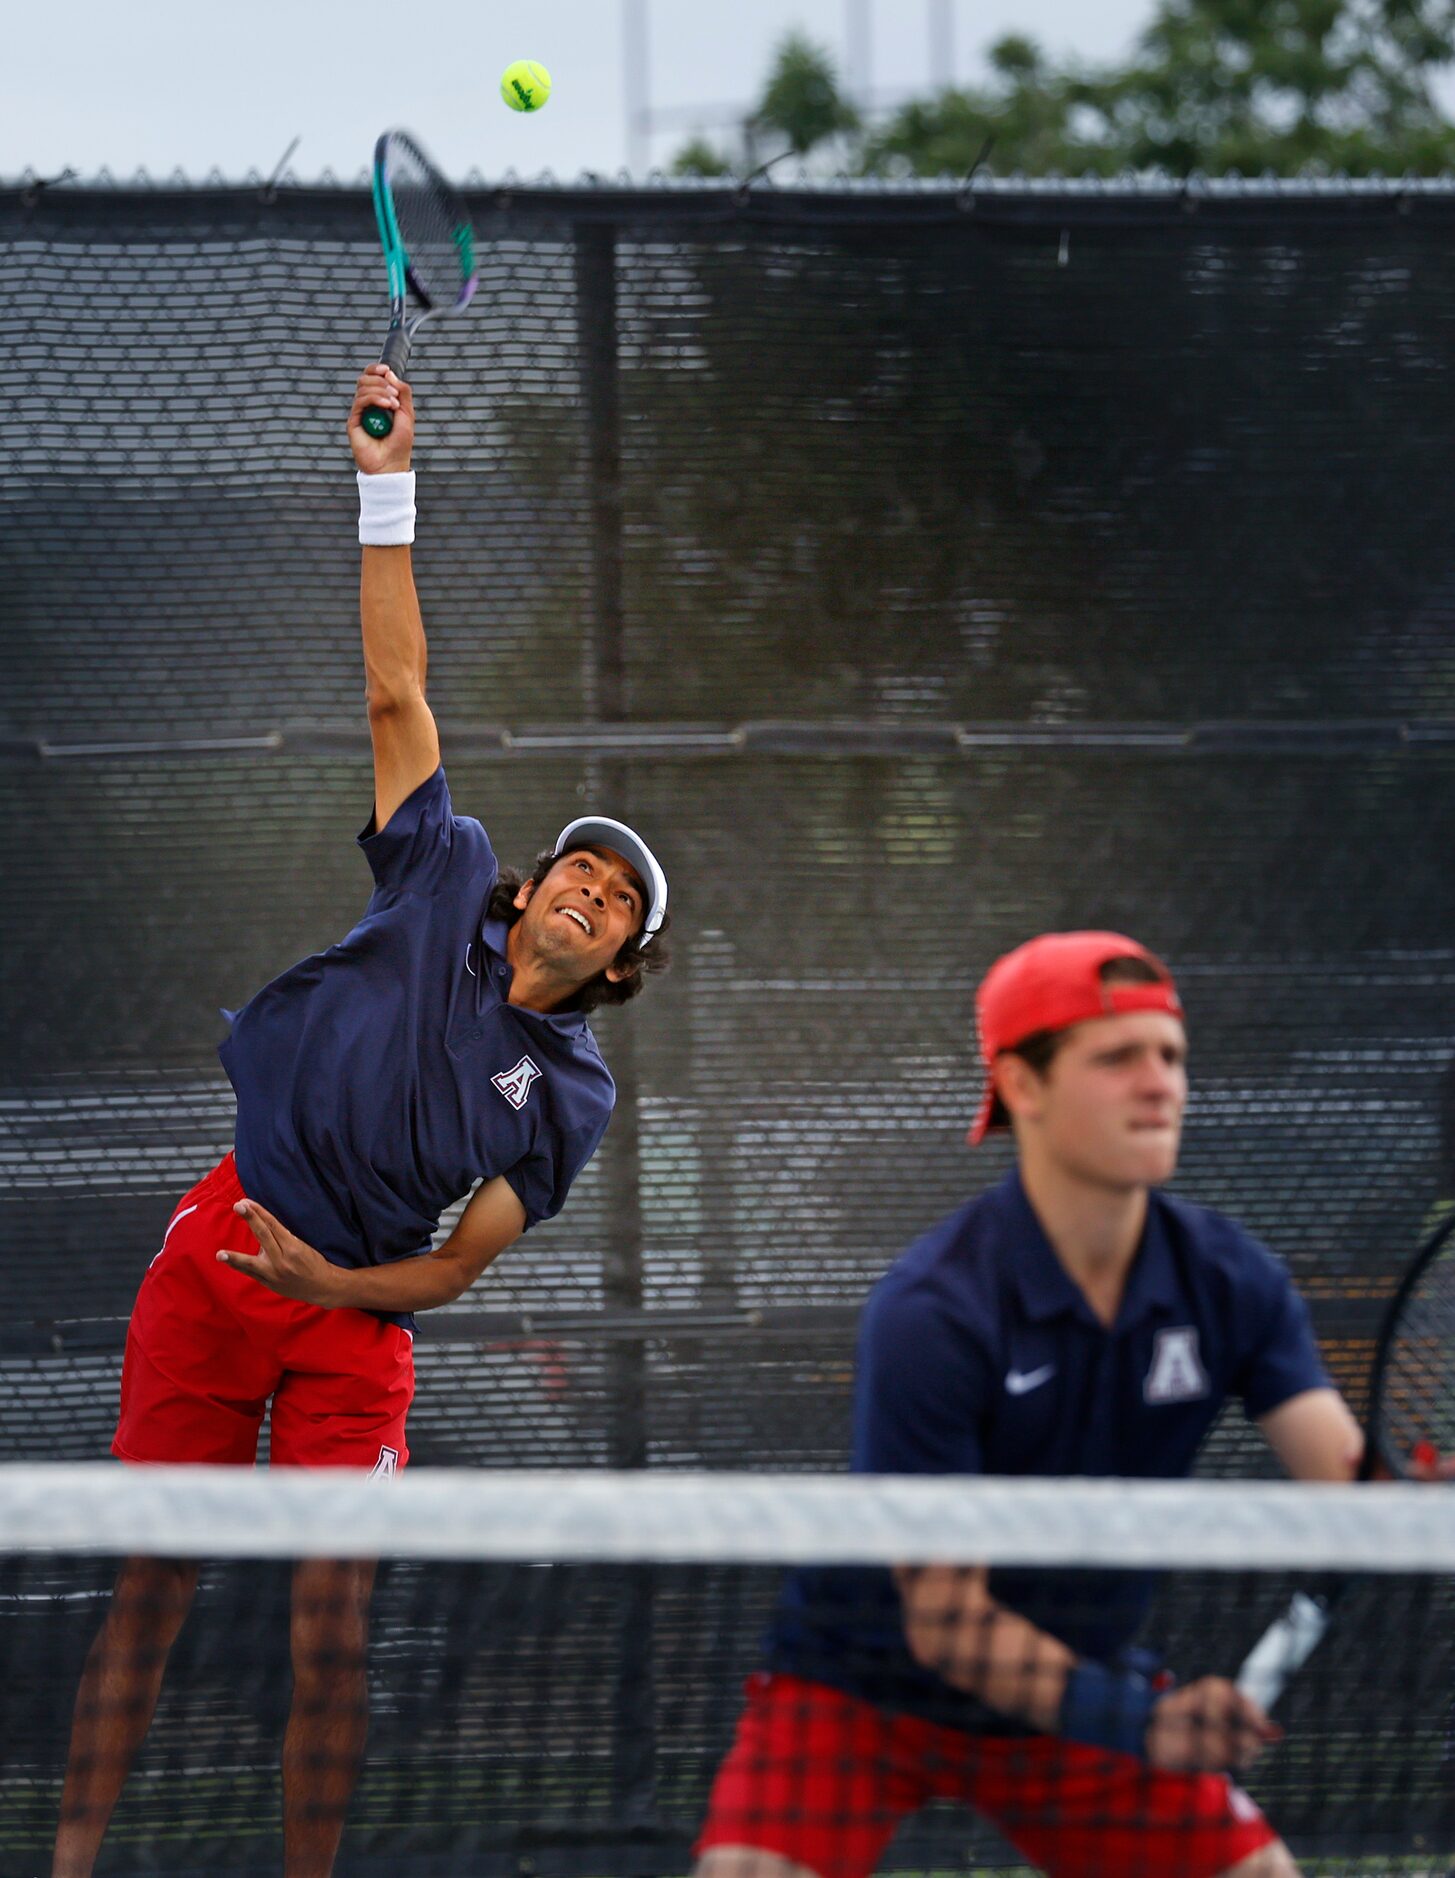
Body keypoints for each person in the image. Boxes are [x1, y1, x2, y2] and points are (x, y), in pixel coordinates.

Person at [52, 362, 672, 1878]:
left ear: (619, 962)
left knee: (331, 1638)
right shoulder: (441, 865)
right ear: (528, 884)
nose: (592, 890)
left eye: (622, 902)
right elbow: (398, 689)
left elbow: (459, 1268)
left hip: (350, 1318)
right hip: (220, 1248)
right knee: (150, 1591)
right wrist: (383, 479)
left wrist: (331, 1288)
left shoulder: (570, 1095)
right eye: (581, 868)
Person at [693, 930, 1365, 1878]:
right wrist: (1142, 1722)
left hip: (1067, 1687)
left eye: (1170, 1055)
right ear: (1021, 1085)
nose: (1159, 1082)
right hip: (859, 1693)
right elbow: (947, 1623)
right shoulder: (935, 1308)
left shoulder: (1231, 1281)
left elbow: (1349, 1482)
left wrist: (1403, 1494)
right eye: (1117, 1057)